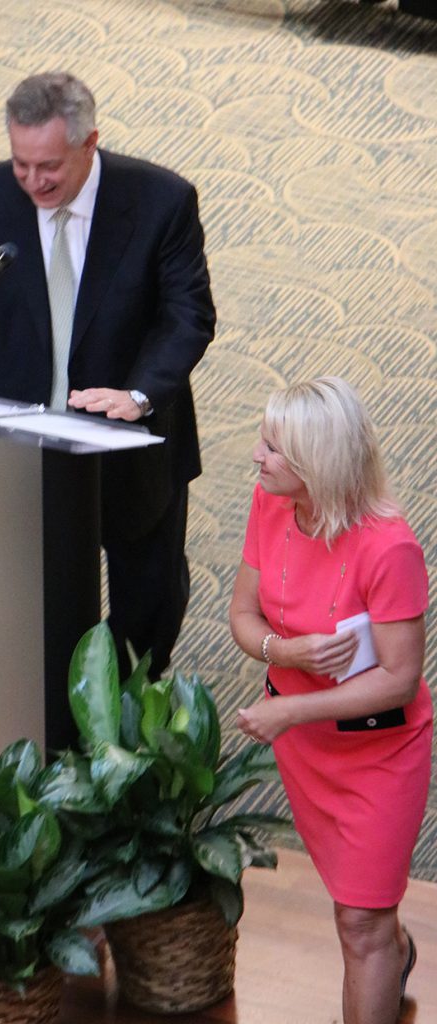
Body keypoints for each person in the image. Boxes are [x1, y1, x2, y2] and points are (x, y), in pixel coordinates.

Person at [0, 70, 216, 678]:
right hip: (27, 439)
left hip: (131, 438)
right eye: (20, 164)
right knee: (31, 595)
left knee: (147, 607)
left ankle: (123, 722)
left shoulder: (162, 201)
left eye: (49, 167)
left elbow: (188, 317)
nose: (33, 182)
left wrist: (139, 394)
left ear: (90, 144)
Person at [229, 376, 432, 1024]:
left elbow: (399, 679)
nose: (256, 456)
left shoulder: (390, 546)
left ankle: (381, 949)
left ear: (318, 464)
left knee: (357, 920)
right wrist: (285, 655)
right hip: (309, 752)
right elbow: (243, 614)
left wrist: (288, 710)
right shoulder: (271, 506)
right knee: (362, 913)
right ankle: (392, 951)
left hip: (378, 751)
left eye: (273, 447)